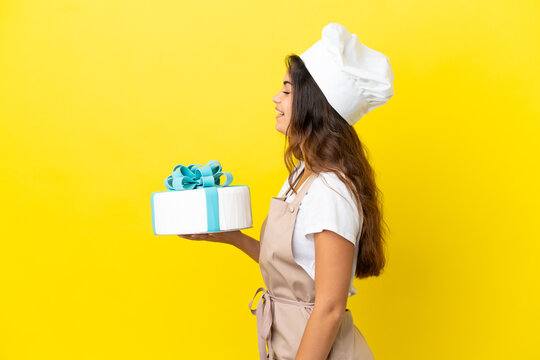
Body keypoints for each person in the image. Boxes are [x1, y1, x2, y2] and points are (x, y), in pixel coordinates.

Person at [178, 22, 394, 360]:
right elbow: (296, 269)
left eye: (287, 91)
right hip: (287, 342)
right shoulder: (301, 174)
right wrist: (232, 237)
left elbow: (329, 308)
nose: (276, 99)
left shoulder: (330, 191)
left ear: (314, 104)